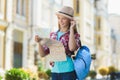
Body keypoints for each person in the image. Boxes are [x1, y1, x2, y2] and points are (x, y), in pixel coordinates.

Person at [35, 6, 81, 80]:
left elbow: (72, 48)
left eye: (64, 19)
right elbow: (42, 54)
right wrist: (39, 42)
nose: (61, 21)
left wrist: (72, 29)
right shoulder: (53, 35)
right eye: (59, 18)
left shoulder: (74, 35)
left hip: (68, 71)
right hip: (55, 72)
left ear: (70, 21)